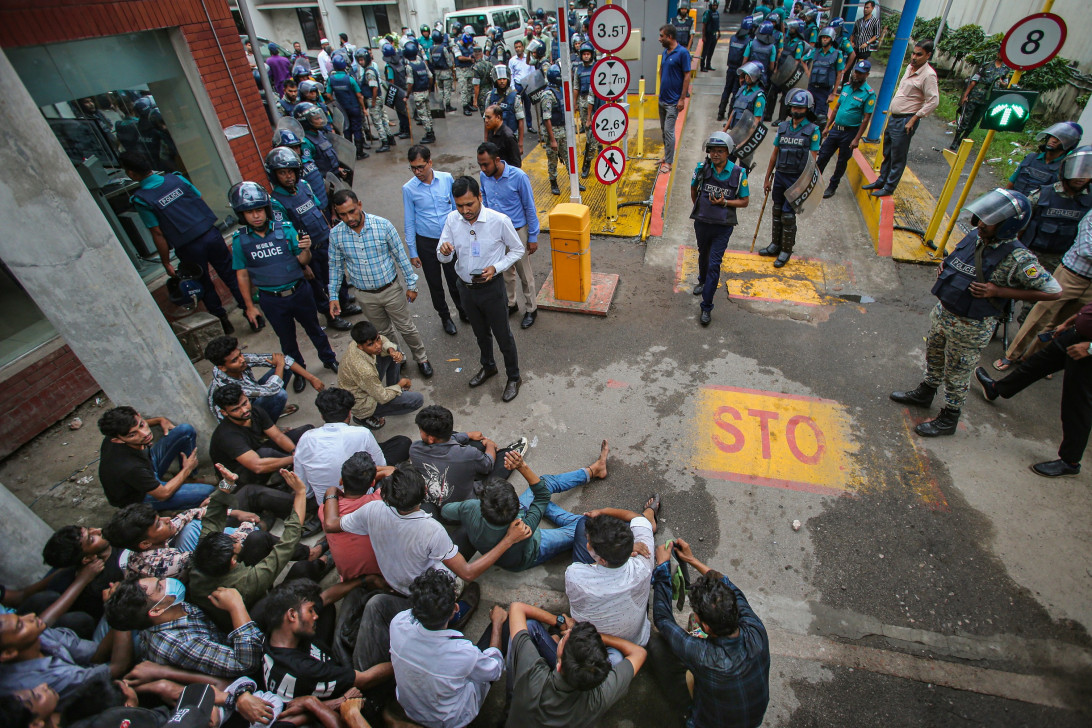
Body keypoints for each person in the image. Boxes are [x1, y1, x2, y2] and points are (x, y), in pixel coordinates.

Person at [320, 466, 532, 670]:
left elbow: (331, 524)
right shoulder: (430, 530)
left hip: (396, 582)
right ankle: (454, 613)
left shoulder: (372, 509)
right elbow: (468, 572)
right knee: (467, 537)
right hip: (429, 590)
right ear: (423, 492)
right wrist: (508, 540)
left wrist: (331, 493)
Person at [891, 188, 1063, 436]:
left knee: (958, 371)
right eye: (982, 217)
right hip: (944, 314)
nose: (981, 223)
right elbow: (959, 258)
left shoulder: (1019, 258)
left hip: (971, 326)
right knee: (935, 356)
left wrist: (999, 291)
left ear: (1006, 225)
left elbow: (1053, 291)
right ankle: (926, 392)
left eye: (989, 221)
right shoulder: (975, 236)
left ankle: (950, 417)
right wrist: (946, 266)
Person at [649, 539, 770, 728]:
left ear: (706, 627)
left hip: (707, 723)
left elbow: (663, 620)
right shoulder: (756, 629)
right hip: (753, 721)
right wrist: (691, 559)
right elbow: (726, 583)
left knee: (657, 646)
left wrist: (662, 567)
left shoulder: (704, 656)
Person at [119, 152, 243, 335]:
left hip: (189, 247)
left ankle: (224, 322)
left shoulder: (142, 199)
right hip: (211, 234)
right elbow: (198, 199)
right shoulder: (176, 179)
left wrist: (166, 262)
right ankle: (251, 313)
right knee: (230, 274)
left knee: (205, 284)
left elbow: (157, 233)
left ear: (131, 173)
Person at [229, 181, 339, 375]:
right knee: (287, 340)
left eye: (259, 210)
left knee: (315, 329)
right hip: (271, 299)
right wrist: (249, 306)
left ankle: (329, 359)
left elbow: (303, 260)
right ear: (242, 215)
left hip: (299, 291)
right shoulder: (240, 241)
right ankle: (299, 371)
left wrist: (305, 249)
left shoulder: (286, 229)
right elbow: (242, 274)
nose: (256, 216)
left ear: (266, 210)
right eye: (249, 212)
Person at [443, 443, 608, 570]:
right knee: (587, 526)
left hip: (504, 553)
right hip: (531, 551)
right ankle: (592, 473)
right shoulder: (524, 527)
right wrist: (521, 466)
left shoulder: (470, 507)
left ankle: (594, 470)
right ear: (518, 506)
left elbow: (446, 511)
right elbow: (542, 494)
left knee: (545, 494)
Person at [995, 157, 1092, 369]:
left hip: (1059, 258)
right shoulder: (1044, 194)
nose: (1081, 177)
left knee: (1054, 321)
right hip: (1037, 256)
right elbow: (1021, 220)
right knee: (1034, 310)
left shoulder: (1088, 200)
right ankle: (1012, 354)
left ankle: (1033, 359)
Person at [975, 301, 1092, 477]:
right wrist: (1072, 321)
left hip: (1087, 350)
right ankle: (996, 389)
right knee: (1037, 363)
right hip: (1076, 334)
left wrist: (1090, 348)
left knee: (1076, 403)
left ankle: (1070, 461)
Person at [187, 468, 313, 632]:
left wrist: (227, 482)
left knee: (257, 538)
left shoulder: (203, 555)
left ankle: (309, 553)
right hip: (244, 618)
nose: (236, 539)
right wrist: (301, 493)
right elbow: (286, 544)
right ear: (233, 562)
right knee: (303, 571)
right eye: (234, 543)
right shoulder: (247, 582)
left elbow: (213, 514)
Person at [329, 189, 434, 378]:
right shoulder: (336, 235)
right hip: (365, 295)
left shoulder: (382, 225)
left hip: (390, 289)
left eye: (352, 211)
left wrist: (412, 285)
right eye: (342, 214)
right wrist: (334, 296)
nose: (349, 217)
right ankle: (398, 357)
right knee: (383, 332)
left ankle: (421, 358)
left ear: (359, 205)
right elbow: (335, 267)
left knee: (406, 327)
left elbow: (400, 256)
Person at [438, 176, 525, 401]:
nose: (465, 211)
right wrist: (444, 251)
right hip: (465, 288)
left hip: (492, 288)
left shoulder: (499, 220)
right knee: (480, 334)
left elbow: (517, 250)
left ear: (479, 197)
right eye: (459, 206)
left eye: (469, 204)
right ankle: (488, 366)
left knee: (503, 335)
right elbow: (442, 256)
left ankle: (514, 377)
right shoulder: (451, 220)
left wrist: (496, 267)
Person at [388, 569, 505, 728]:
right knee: (499, 636)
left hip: (411, 710)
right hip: (451, 720)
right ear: (455, 608)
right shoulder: (463, 652)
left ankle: (452, 618)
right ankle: (493, 623)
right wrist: (497, 623)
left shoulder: (398, 623)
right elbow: (494, 670)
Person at [505, 601, 645, 728]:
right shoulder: (600, 697)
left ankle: (509, 704)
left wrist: (559, 622)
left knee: (529, 626)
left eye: (565, 639)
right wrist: (597, 637)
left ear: (558, 665)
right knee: (617, 656)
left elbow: (517, 608)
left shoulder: (532, 674)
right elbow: (639, 652)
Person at [265, 147, 358, 332]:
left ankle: (344, 304)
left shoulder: (304, 186)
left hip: (326, 242)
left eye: (291, 171)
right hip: (309, 251)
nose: (288, 176)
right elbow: (285, 237)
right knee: (317, 286)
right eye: (282, 173)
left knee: (336, 275)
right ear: (275, 175)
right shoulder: (276, 203)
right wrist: (303, 265)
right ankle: (331, 316)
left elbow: (319, 211)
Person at [258, 579, 392, 704]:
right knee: (376, 605)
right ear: (292, 615)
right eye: (310, 611)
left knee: (353, 594)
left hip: (330, 661)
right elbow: (365, 679)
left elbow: (326, 597)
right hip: (350, 683)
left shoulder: (276, 633)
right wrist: (402, 660)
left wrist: (364, 579)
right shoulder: (304, 669)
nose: (315, 615)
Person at [104, 579, 260, 678]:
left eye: (160, 580)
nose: (167, 582)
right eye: (160, 587)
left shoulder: (169, 608)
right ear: (156, 611)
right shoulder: (180, 644)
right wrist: (236, 606)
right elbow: (245, 664)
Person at [0, 591, 132, 705]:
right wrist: (119, 610)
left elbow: (95, 654)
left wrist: (117, 606)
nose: (31, 616)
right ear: (9, 652)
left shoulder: (37, 633)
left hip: (85, 670)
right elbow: (118, 667)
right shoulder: (43, 682)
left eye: (20, 617)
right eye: (20, 626)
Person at [566, 497, 661, 655]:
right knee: (643, 522)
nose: (587, 544)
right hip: (636, 641)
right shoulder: (643, 564)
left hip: (592, 639)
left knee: (584, 521)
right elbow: (637, 518)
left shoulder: (575, 574)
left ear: (601, 560)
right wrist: (606, 513)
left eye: (589, 543)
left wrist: (601, 511)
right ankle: (650, 517)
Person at [293, 386, 412, 503]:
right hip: (363, 497)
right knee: (402, 443)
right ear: (349, 413)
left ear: (322, 415)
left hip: (325, 503)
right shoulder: (362, 433)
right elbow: (381, 465)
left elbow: (305, 491)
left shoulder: (306, 438)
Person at [410, 404, 524, 514]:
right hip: (462, 510)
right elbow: (487, 465)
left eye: (420, 431)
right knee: (505, 456)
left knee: (471, 444)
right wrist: (490, 445)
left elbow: (448, 439)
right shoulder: (468, 454)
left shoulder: (415, 449)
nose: (420, 432)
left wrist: (468, 435)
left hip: (439, 506)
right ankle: (508, 453)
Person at [97, 407, 213, 511]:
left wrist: (159, 420)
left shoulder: (119, 433)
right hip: (139, 496)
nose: (144, 434)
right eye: (132, 435)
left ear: (139, 415)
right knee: (209, 493)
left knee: (185, 431)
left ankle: (188, 479)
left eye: (141, 425)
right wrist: (187, 468)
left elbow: (134, 428)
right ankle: (164, 509)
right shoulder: (129, 467)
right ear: (117, 440)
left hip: (148, 467)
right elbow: (163, 494)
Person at [862, 40, 938, 198]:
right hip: (894, 117)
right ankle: (882, 180)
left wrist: (915, 118)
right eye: (913, 53)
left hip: (906, 120)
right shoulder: (910, 68)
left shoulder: (928, 75)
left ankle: (889, 187)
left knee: (898, 155)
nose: (914, 57)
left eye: (919, 54)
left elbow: (933, 101)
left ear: (928, 55)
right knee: (887, 151)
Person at [403, 145, 465, 335]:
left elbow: (457, 209)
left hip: (448, 239)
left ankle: (463, 311)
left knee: (455, 278)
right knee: (435, 283)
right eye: (413, 168)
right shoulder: (409, 189)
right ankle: (445, 317)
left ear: (430, 162)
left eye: (421, 167)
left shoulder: (446, 179)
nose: (417, 172)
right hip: (426, 243)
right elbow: (409, 221)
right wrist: (413, 252)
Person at [477, 142, 541, 329]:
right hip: (497, 232)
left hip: (517, 231)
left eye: (486, 164)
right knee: (504, 271)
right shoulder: (484, 176)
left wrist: (533, 236)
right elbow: (487, 202)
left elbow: (530, 207)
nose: (483, 168)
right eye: (480, 164)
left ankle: (531, 309)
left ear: (497, 160)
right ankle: (511, 304)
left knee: (524, 272)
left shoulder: (519, 177)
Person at [689, 132, 750, 327]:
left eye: (720, 151)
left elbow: (744, 201)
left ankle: (706, 306)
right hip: (702, 223)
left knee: (715, 263)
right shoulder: (701, 169)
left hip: (723, 227)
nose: (716, 155)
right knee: (703, 254)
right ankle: (701, 280)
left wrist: (724, 202)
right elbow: (693, 189)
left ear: (728, 152)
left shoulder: (739, 173)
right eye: (713, 151)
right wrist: (701, 210)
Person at [760, 89, 821, 268]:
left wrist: (805, 185)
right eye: (794, 106)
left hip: (796, 179)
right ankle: (775, 245)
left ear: (807, 109)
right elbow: (774, 154)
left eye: (800, 108)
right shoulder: (783, 128)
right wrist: (767, 178)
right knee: (777, 210)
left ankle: (786, 250)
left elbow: (812, 160)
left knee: (788, 215)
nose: (796, 110)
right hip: (780, 176)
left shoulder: (813, 131)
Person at [208, 383, 311, 487]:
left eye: (244, 403)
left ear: (245, 396)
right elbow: (257, 466)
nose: (244, 410)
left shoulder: (255, 411)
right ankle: (281, 479)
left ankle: (290, 468)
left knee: (306, 432)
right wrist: (296, 459)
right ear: (224, 412)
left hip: (256, 452)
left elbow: (278, 436)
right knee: (266, 453)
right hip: (239, 477)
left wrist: (294, 452)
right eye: (235, 409)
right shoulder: (227, 436)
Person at [204, 335, 319, 423]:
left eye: (240, 354)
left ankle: (273, 409)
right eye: (235, 360)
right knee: (279, 394)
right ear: (222, 367)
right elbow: (272, 390)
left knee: (284, 367)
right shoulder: (227, 385)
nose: (242, 360)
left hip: (251, 397)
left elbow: (283, 359)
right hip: (242, 420)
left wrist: (312, 378)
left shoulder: (240, 360)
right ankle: (265, 430)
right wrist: (279, 365)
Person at [338, 320, 425, 430]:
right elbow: (382, 397)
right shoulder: (365, 371)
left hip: (364, 383)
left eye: (377, 339)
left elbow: (383, 339)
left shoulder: (356, 342)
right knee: (417, 400)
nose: (378, 345)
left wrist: (391, 350)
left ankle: (393, 389)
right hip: (362, 402)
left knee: (393, 349)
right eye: (371, 344)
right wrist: (400, 384)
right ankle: (364, 417)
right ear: (360, 347)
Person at [322, 452, 384, 583]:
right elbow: (394, 472)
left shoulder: (324, 510)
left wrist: (332, 490)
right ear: (372, 482)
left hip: (348, 578)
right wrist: (380, 473)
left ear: (341, 481)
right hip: (383, 574)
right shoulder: (380, 502)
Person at [818, 59, 876, 199]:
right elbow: (837, 108)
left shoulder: (868, 94)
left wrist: (856, 139)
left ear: (867, 75)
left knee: (842, 162)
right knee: (823, 156)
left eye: (861, 74)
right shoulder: (847, 87)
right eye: (856, 72)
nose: (857, 75)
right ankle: (813, 183)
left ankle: (832, 186)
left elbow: (866, 118)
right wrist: (827, 127)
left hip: (850, 133)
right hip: (836, 129)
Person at [950, 52, 1010, 150]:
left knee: (974, 121)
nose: (1001, 55)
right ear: (998, 54)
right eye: (1000, 53)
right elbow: (974, 80)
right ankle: (955, 140)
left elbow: (1005, 84)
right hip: (975, 96)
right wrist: (965, 95)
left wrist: (1002, 83)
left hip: (987, 99)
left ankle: (963, 140)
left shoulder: (1006, 69)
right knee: (965, 119)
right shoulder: (987, 65)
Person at [1007, 122, 1084, 196]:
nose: (1054, 140)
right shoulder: (1031, 157)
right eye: (1052, 136)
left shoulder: (1065, 168)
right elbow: (1010, 184)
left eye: (1060, 138)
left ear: (1069, 144)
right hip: (1015, 202)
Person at [541, 64, 583, 196]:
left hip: (563, 130)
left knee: (569, 157)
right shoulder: (548, 94)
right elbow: (547, 118)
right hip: (553, 132)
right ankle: (553, 182)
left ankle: (575, 181)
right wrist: (552, 140)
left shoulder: (560, 91)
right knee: (552, 159)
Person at [658, 24, 692, 176]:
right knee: (664, 132)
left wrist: (682, 98)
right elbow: (662, 71)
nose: (660, 39)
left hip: (673, 102)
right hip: (662, 99)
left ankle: (669, 163)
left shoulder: (682, 53)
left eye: (662, 36)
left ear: (669, 37)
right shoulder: (666, 52)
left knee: (669, 131)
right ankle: (667, 155)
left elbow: (687, 75)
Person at [326, 55, 370, 160]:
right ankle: (359, 153)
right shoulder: (349, 79)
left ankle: (350, 154)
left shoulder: (331, 79)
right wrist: (363, 108)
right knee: (357, 129)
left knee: (347, 129)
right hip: (354, 107)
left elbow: (328, 95)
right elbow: (359, 95)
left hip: (342, 109)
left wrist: (334, 101)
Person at [806, 28, 845, 125]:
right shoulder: (815, 51)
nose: (824, 39)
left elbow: (839, 74)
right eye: (823, 37)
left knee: (820, 119)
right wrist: (808, 74)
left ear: (831, 39)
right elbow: (803, 59)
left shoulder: (837, 54)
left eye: (827, 38)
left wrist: (834, 93)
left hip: (824, 91)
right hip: (812, 88)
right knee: (807, 115)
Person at [717, 19, 752, 122]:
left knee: (727, 90)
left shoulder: (733, 38)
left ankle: (720, 112)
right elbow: (746, 58)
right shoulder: (748, 41)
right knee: (735, 92)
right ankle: (730, 115)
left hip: (730, 68)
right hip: (739, 70)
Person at [403, 41, 437, 144]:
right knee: (428, 112)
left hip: (418, 93)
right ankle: (430, 131)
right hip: (426, 91)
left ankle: (429, 134)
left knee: (423, 114)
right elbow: (430, 77)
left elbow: (410, 83)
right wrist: (429, 88)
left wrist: (407, 95)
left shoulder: (409, 67)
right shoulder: (422, 63)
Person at [485, 66, 525, 152]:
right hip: (494, 138)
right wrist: (485, 141)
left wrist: (520, 144)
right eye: (499, 79)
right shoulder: (490, 96)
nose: (502, 81)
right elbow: (486, 120)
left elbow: (520, 121)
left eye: (504, 79)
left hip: (510, 138)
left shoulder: (515, 97)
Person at [430, 30, 457, 114]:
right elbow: (448, 61)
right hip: (445, 71)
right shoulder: (443, 48)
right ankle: (448, 106)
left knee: (441, 89)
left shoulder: (431, 49)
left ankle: (441, 105)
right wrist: (452, 68)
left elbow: (430, 60)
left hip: (437, 72)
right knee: (447, 89)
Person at [455, 31, 477, 116]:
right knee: (464, 89)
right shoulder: (457, 46)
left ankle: (469, 104)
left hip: (469, 69)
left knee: (470, 88)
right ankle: (465, 107)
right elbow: (459, 57)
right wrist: (469, 59)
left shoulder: (469, 45)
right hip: (461, 70)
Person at [699, 0, 721, 72]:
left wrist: (719, 32)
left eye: (716, 5)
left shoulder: (717, 13)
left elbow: (717, 24)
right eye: (713, 5)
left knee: (711, 51)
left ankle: (708, 65)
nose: (714, 7)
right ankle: (702, 66)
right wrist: (703, 36)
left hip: (714, 34)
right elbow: (704, 25)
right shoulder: (707, 13)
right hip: (708, 35)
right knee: (705, 51)